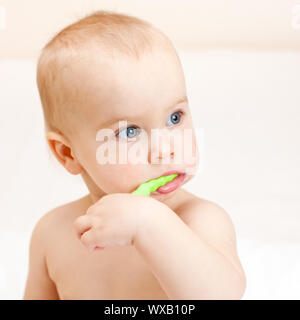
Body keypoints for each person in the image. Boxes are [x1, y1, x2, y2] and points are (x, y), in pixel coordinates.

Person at [23, 10, 246, 300]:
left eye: (175, 118)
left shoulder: (200, 221)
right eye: (130, 132)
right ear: (68, 153)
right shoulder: (52, 234)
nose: (166, 149)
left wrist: (149, 223)